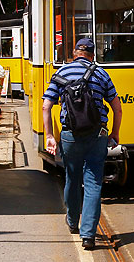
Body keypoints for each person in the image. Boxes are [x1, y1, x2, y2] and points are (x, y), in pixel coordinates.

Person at [42, 37, 122, 250]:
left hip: (70, 135)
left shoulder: (62, 73)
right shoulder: (101, 73)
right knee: (94, 181)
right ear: (92, 55)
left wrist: (49, 136)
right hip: (97, 135)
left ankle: (72, 221)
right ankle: (88, 236)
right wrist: (114, 132)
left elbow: (46, 106)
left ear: (74, 52)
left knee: (72, 177)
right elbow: (117, 107)